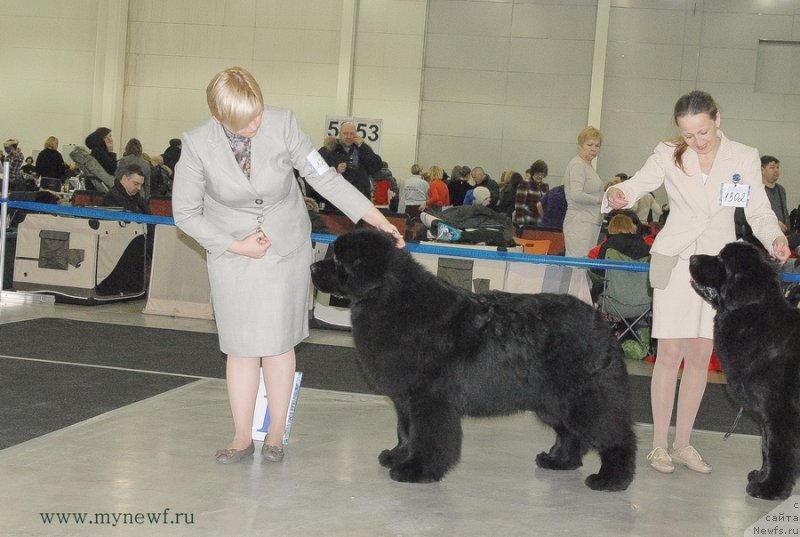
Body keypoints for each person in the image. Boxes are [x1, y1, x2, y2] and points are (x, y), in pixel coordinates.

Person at [171, 66, 404, 465]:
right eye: (245, 121)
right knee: (240, 347)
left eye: (258, 113)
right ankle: (241, 436)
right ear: (219, 116)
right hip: (232, 250)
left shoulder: (284, 124)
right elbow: (186, 214)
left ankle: (276, 433)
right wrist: (235, 245)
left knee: (279, 344)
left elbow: (325, 179)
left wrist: (376, 219)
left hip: (286, 245)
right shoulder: (195, 145)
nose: (256, 124)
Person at [605, 90, 790, 475]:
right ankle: (658, 445)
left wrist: (775, 237)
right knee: (670, 353)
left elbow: (757, 210)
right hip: (676, 261)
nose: (697, 141)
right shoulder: (667, 152)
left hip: (716, 269)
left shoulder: (743, 156)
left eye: (702, 132)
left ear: (717, 119)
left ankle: (683, 443)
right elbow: (638, 184)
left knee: (701, 356)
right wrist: (618, 194)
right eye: (688, 135)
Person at [563, 126, 604, 257]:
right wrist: (600, 200)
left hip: (589, 222)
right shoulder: (578, 165)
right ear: (580, 145)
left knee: (585, 264)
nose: (594, 148)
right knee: (577, 264)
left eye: (597, 146)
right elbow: (576, 195)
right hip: (579, 223)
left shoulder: (587, 166)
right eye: (590, 144)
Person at [319, 121, 382, 200]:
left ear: (356, 134)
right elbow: (317, 169)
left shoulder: (362, 150)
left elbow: (377, 166)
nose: (349, 136)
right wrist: (335, 169)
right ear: (339, 134)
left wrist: (363, 146)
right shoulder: (328, 150)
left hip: (360, 198)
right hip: (336, 198)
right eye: (345, 133)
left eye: (352, 133)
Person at [515, 160, 549, 226]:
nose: (540, 176)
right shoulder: (525, 184)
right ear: (533, 172)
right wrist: (520, 225)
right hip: (527, 222)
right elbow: (519, 206)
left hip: (540, 223)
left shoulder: (545, 186)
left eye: (542, 174)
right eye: (537, 173)